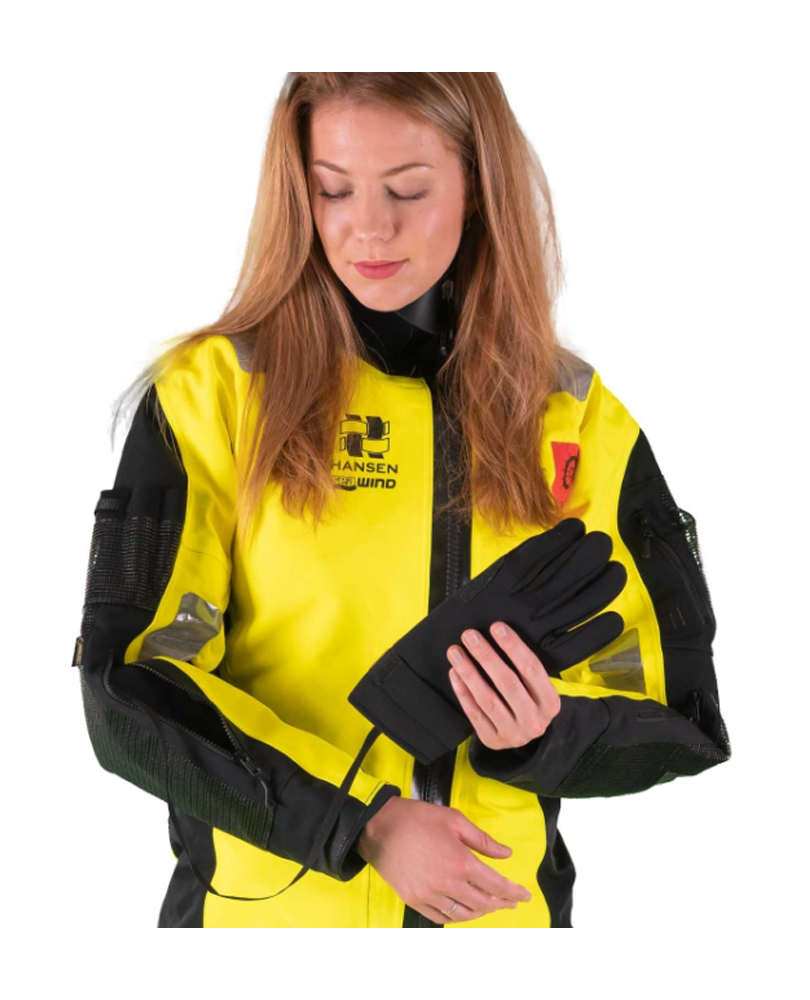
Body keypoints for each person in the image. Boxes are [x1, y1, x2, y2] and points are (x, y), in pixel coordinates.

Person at [72, 72, 731, 929]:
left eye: (408, 190)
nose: (369, 227)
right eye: (333, 189)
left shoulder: (574, 415)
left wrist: (548, 733)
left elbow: (683, 718)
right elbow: (127, 688)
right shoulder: (214, 395)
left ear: (478, 187)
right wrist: (362, 823)